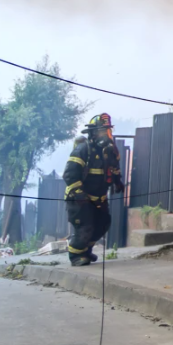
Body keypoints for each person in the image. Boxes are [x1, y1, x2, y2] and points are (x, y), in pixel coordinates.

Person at [62, 114, 124, 266]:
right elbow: (70, 175)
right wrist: (79, 194)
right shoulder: (83, 150)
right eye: (102, 131)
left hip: (99, 198)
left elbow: (113, 169)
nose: (105, 135)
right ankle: (76, 256)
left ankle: (85, 252)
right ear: (93, 133)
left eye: (107, 131)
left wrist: (118, 181)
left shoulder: (110, 152)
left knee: (103, 223)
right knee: (85, 226)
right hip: (79, 198)